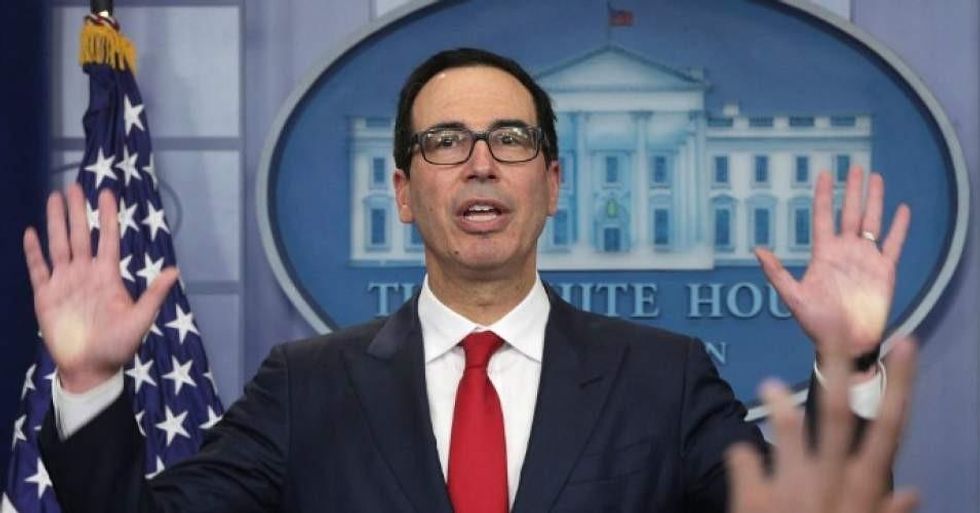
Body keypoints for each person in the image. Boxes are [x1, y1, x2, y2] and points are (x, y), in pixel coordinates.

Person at [27, 48, 912, 512]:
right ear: (406, 194)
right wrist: (90, 385)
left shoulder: (664, 379)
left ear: (553, 184)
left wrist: (853, 359)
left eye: (512, 140)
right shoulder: (306, 387)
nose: (481, 162)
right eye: (447, 141)